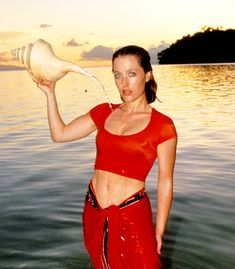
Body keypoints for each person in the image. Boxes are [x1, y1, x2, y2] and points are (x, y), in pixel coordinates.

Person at [28, 45, 177, 269]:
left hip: (132, 214)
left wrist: (159, 231)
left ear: (147, 75)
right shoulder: (103, 111)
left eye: (132, 74)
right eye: (117, 75)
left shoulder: (163, 126)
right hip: (94, 209)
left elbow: (165, 181)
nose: (124, 83)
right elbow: (60, 135)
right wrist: (50, 93)